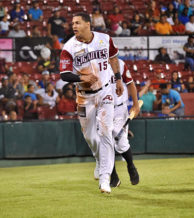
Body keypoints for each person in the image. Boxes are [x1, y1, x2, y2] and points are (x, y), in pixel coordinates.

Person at [59, 12, 124, 194]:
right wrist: (82, 77)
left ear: (88, 24)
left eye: (78, 22)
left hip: (105, 92)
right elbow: (64, 75)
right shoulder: (69, 47)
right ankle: (98, 159)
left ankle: (105, 178)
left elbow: (113, 57)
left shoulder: (104, 39)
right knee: (89, 136)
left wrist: (118, 79)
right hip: (84, 96)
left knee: (105, 132)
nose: (74, 26)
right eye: (72, 23)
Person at [109, 59, 140, 188]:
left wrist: (136, 104)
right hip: (103, 109)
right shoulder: (95, 64)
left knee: (121, 145)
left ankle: (131, 166)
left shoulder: (120, 64)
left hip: (119, 108)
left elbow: (131, 84)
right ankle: (114, 177)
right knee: (105, 145)